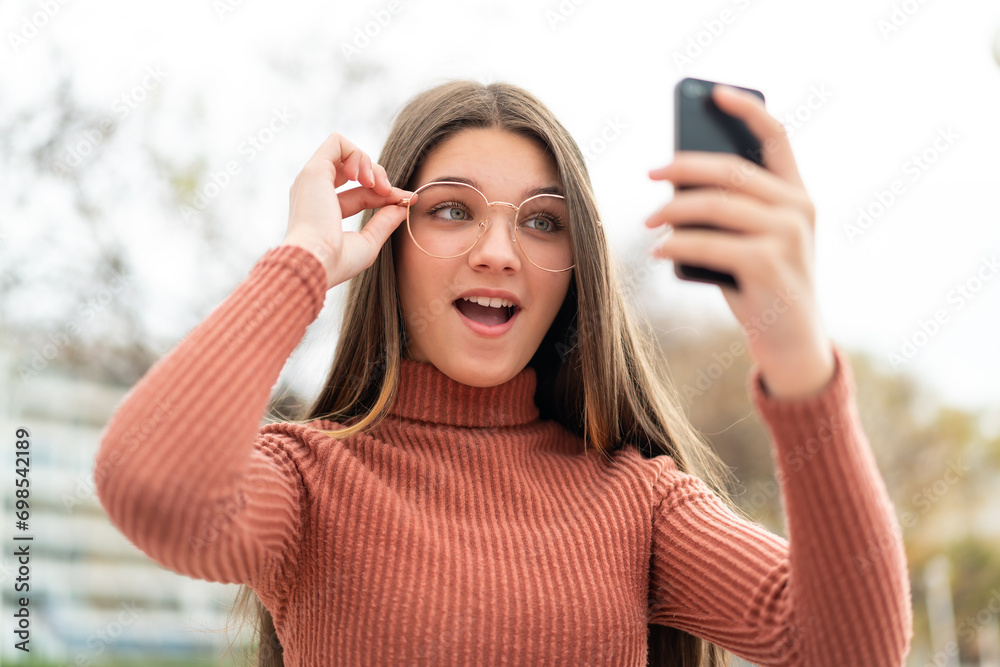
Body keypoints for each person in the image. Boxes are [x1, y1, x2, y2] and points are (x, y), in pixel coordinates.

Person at [94, 79, 912, 666]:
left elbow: (853, 648)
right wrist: (302, 259)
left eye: (543, 221)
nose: (498, 250)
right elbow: (149, 486)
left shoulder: (638, 499)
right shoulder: (309, 481)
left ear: (575, 266)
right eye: (451, 209)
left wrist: (796, 344)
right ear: (389, 241)